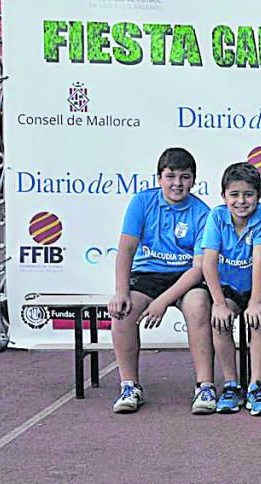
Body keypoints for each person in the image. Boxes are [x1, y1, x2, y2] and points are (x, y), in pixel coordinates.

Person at [108, 147, 213, 414]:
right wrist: (120, 291)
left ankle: (205, 386)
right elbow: (126, 250)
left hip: (184, 277)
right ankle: (129, 386)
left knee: (199, 304)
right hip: (147, 275)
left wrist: (163, 302)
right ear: (159, 178)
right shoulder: (142, 202)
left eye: (185, 177)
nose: (177, 184)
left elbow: (198, 269)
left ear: (194, 179)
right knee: (122, 311)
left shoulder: (202, 212)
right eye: (171, 176)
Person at [201, 162, 261, 416]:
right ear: (224, 196)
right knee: (219, 321)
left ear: (259, 195)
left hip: (257, 285)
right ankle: (231, 385)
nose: (241, 201)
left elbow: (260, 259)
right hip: (228, 287)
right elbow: (209, 261)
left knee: (260, 320)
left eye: (248, 194)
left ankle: (256, 386)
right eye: (234, 195)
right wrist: (219, 303)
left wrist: (256, 301)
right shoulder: (216, 216)